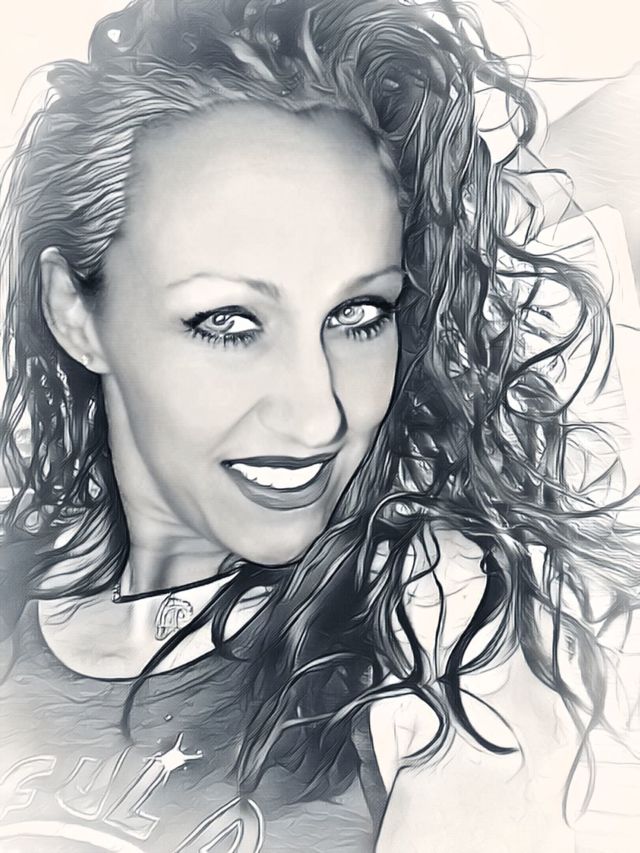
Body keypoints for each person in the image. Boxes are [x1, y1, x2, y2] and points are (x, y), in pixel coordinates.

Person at [0, 1, 637, 851]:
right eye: (227, 321)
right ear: (73, 312)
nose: (317, 413)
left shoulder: (433, 639)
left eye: (359, 312)